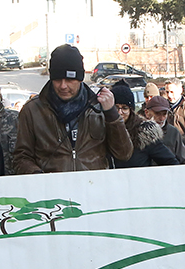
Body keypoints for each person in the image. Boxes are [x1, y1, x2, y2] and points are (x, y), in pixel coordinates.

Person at [12, 44, 132, 173]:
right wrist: (38, 176)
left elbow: (124, 154)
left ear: (80, 79)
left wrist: (111, 114)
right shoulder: (32, 110)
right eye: (57, 79)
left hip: (92, 188)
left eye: (69, 80)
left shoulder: (99, 107)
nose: (63, 86)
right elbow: (20, 157)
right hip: (52, 190)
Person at [111, 82, 178, 167]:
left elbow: (170, 162)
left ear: (131, 110)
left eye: (125, 108)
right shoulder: (100, 130)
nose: (120, 112)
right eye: (116, 108)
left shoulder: (144, 133)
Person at [144, 95, 185, 165]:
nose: (162, 118)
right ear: (147, 113)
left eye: (164, 114)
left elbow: (184, 159)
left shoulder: (173, 132)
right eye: (157, 114)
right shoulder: (139, 132)